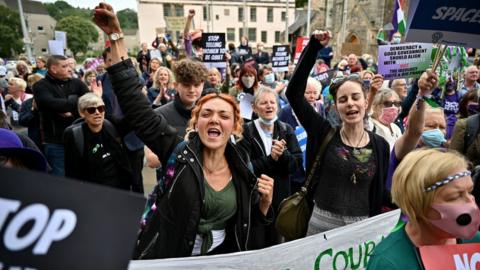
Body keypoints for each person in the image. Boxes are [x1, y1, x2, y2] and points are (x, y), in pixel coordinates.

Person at [92, 3, 275, 258]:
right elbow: (135, 106)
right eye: (206, 114)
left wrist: (264, 205)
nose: (214, 120)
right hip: (175, 256)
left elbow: (250, 225)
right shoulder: (179, 152)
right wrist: (115, 36)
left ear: (234, 126)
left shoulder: (242, 164)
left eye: (223, 115)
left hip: (223, 259)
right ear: (195, 123)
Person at [286, 31, 390, 235]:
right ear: (336, 106)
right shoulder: (323, 132)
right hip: (321, 227)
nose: (350, 103)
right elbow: (294, 93)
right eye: (343, 100)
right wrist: (314, 48)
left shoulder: (380, 145)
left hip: (361, 229)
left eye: (355, 97)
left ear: (366, 101)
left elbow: (381, 192)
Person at [367, 149, 480, 270]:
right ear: (417, 204)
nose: (470, 202)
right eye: (455, 196)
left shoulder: (475, 242)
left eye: (469, 191)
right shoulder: (389, 262)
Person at [240, 87, 303, 245]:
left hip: (281, 201)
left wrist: (283, 155)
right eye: (263, 103)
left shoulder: (286, 129)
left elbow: (295, 165)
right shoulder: (246, 131)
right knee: (257, 243)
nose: (269, 106)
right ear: (254, 107)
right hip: (255, 201)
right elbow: (245, 168)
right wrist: (270, 159)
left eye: (272, 102)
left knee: (277, 244)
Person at [32, 55, 89, 176]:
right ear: (53, 69)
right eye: (65, 66)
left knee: (82, 178)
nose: (70, 69)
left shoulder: (77, 83)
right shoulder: (40, 86)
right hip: (55, 142)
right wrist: (75, 100)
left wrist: (69, 106)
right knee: (60, 180)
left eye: (69, 65)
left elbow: (89, 102)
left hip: (80, 138)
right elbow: (50, 104)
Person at [64, 93, 133, 190]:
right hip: (92, 191)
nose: (97, 112)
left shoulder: (110, 125)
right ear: (82, 113)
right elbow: (72, 171)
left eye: (101, 108)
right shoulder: (74, 134)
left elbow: (134, 120)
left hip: (118, 189)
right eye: (91, 110)